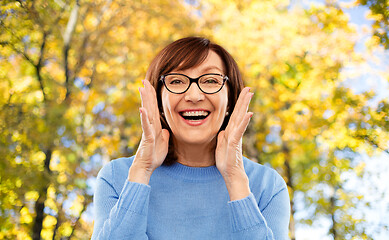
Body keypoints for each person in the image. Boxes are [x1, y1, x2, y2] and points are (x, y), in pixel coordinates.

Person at [92, 37, 290, 240]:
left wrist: (234, 179)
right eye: (177, 81)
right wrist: (141, 171)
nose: (194, 95)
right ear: (159, 100)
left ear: (230, 100)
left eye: (211, 80)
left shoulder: (268, 186)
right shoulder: (116, 178)